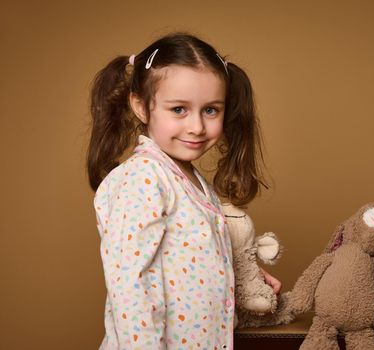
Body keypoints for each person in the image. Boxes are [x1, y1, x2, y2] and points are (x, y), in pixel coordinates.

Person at [87, 33, 281, 350]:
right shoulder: (143, 178)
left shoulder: (189, 179)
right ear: (140, 106)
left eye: (211, 110)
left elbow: (187, 257)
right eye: (179, 109)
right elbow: (132, 286)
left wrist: (238, 276)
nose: (196, 127)